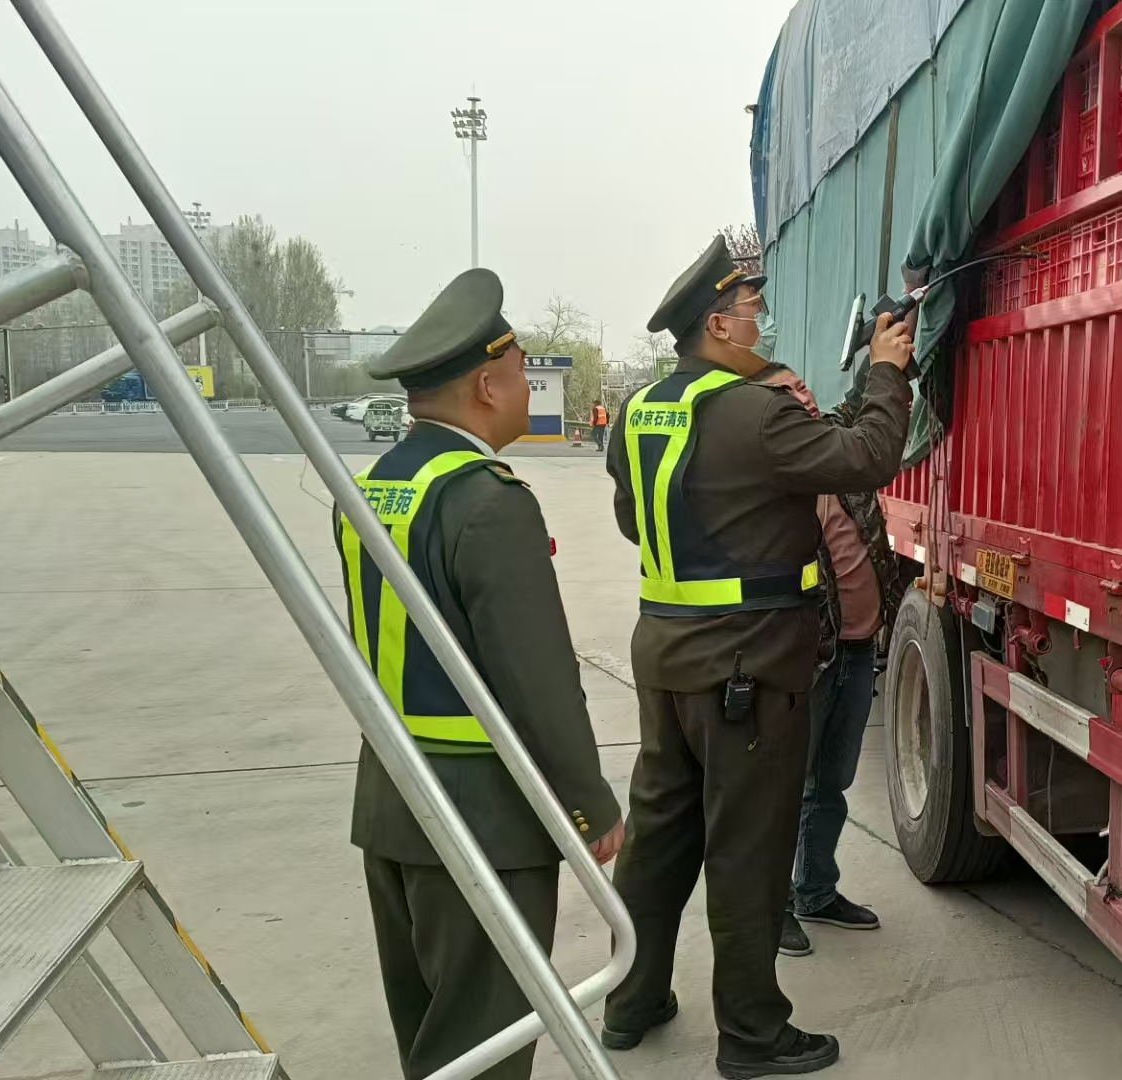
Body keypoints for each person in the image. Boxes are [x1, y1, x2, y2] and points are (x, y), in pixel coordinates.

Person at [601, 235, 914, 1079]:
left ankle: (631, 1001)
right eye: (752, 309)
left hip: (666, 655)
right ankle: (751, 1034)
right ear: (717, 325)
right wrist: (887, 372)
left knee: (659, 838)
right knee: (748, 848)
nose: (762, 321)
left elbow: (635, 519)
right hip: (748, 667)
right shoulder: (755, 411)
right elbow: (867, 458)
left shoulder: (640, 410)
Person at [337, 267, 625, 1080]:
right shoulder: (489, 502)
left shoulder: (376, 487)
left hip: (392, 803)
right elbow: (538, 679)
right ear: (487, 386)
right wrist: (589, 803)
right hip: (484, 817)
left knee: (433, 1042)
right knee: (485, 1052)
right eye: (521, 372)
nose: (528, 388)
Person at [754, 368, 889, 958]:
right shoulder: (772, 474)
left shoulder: (838, 450)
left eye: (803, 385)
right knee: (787, 788)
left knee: (832, 781)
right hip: (807, 657)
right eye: (786, 392)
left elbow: (866, 402)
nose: (803, 395)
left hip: (859, 650)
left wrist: (886, 354)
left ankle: (815, 890)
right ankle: (774, 907)